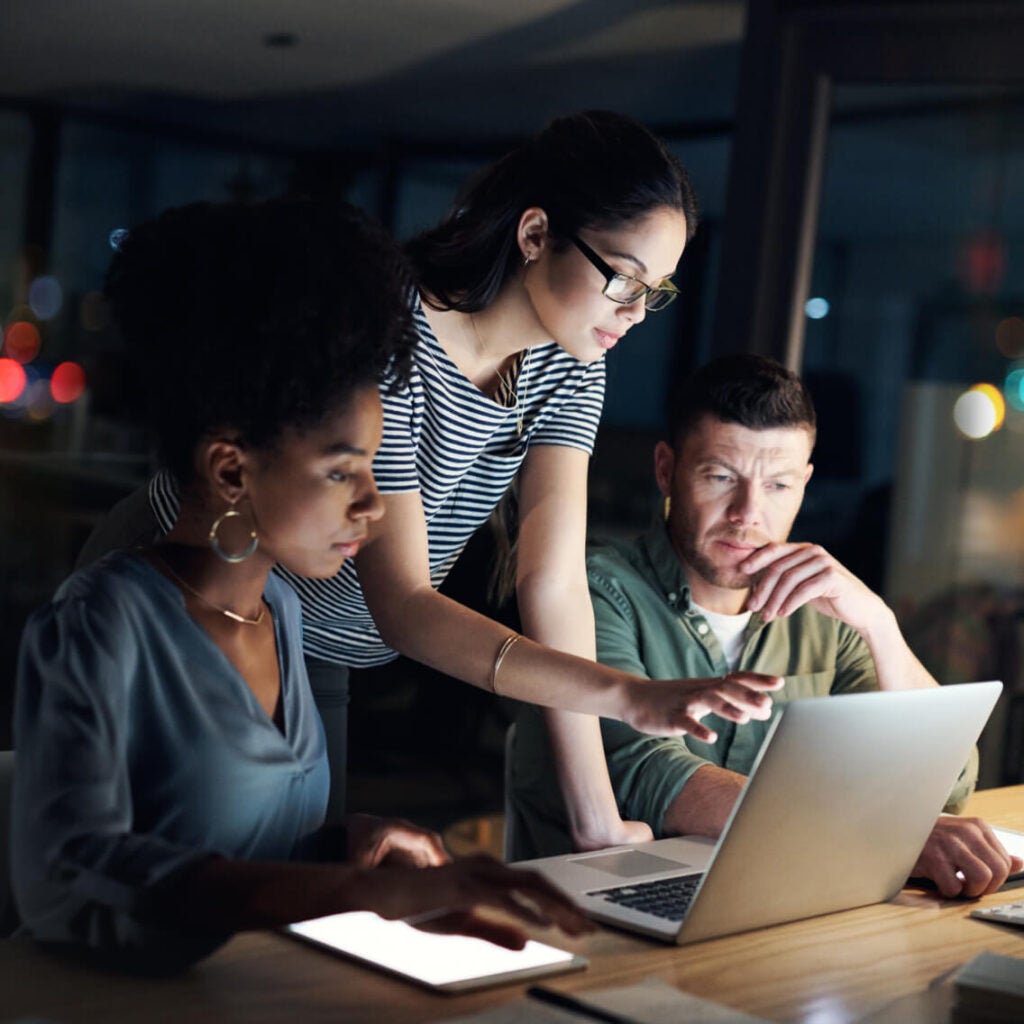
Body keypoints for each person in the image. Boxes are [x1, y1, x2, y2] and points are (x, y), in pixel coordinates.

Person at [85, 111, 783, 848]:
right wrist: (626, 695)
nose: (638, 313)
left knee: (299, 880)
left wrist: (596, 818)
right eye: (624, 279)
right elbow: (405, 602)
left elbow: (553, 585)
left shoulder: (572, 365)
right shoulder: (390, 336)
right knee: (164, 859)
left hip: (322, 638)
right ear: (536, 234)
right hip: (202, 584)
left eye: (659, 291)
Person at [11, 199, 592, 973]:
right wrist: (350, 896)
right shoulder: (101, 624)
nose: (374, 503)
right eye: (340, 470)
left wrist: (352, 847)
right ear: (230, 470)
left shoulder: (279, 610)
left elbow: (241, 840)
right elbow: (70, 877)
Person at [509, 354, 1022, 897]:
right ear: (667, 470)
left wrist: (879, 622)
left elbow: (950, 781)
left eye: (778, 485)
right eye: (721, 476)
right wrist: (875, 831)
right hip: (594, 910)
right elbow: (643, 773)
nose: (747, 512)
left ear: (804, 484)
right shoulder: (594, 592)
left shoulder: (825, 609)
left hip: (771, 898)